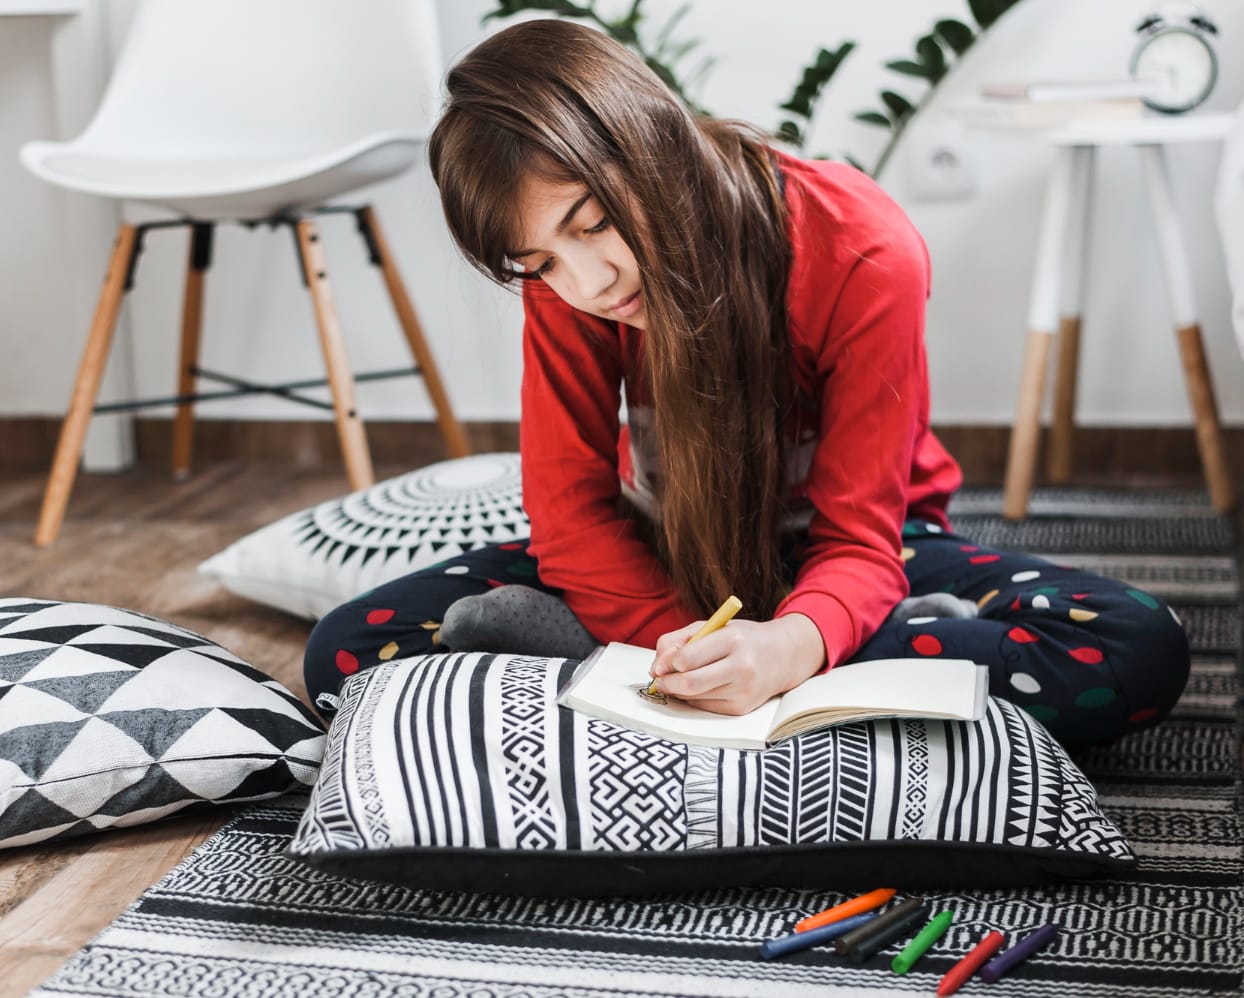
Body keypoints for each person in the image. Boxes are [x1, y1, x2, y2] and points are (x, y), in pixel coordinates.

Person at [303, 18, 1190, 747]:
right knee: (343, 655)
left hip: (856, 559)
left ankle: (619, 669)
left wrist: (794, 643)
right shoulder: (567, 285)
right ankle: (882, 674)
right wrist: (682, 648)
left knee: (1138, 645)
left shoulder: (861, 249)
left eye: (598, 222)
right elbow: (570, 514)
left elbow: (860, 537)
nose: (589, 284)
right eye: (539, 261)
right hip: (662, 553)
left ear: (651, 146)